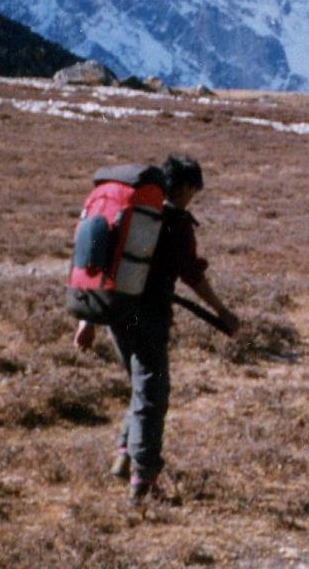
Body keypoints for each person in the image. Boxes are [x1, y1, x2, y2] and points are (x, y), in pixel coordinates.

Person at [73, 155, 239, 502]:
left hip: (118, 312)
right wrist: (222, 311)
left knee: (141, 386)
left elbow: (104, 266)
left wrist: (87, 321)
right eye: (194, 190)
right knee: (152, 394)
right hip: (147, 317)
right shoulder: (176, 224)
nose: (193, 197)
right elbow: (192, 276)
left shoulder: (132, 218)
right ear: (185, 187)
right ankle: (142, 478)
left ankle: (124, 452)